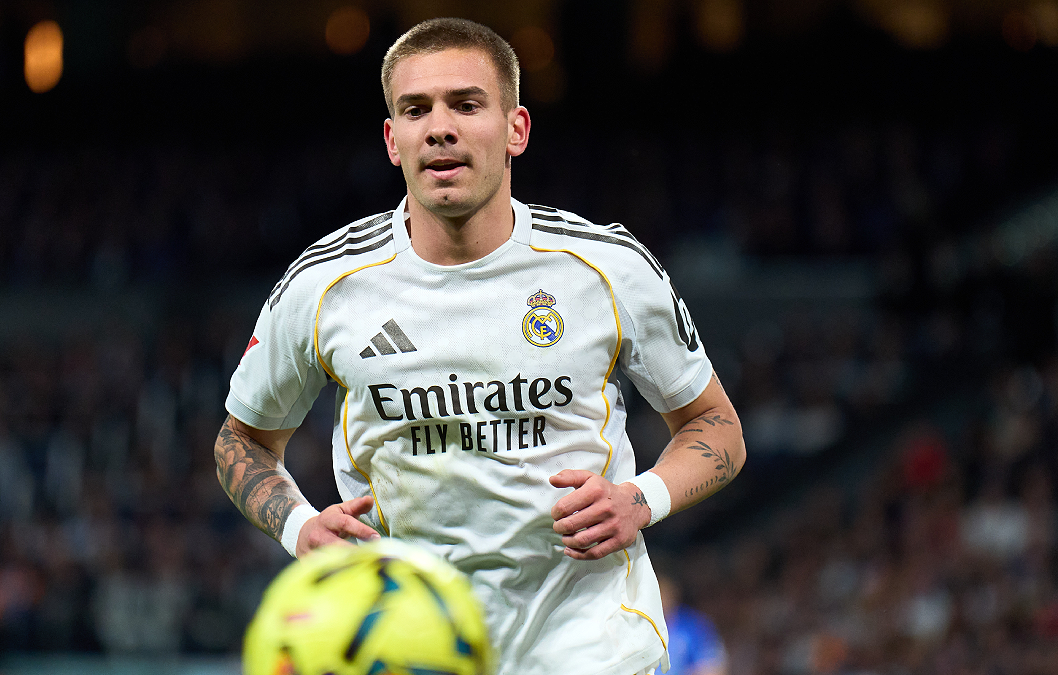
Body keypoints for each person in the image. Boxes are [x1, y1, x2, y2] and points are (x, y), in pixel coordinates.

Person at [216, 17, 745, 675]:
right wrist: (299, 526)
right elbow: (240, 441)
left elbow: (717, 427)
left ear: (516, 128)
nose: (440, 126)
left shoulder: (607, 268)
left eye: (466, 104)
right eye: (416, 110)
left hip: (593, 649)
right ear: (392, 139)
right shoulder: (324, 284)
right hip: (410, 650)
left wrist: (641, 498)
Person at [656, 572, 728, 675]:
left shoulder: (696, 626)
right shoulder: (638, 626)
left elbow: (715, 667)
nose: (661, 599)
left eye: (663, 593)